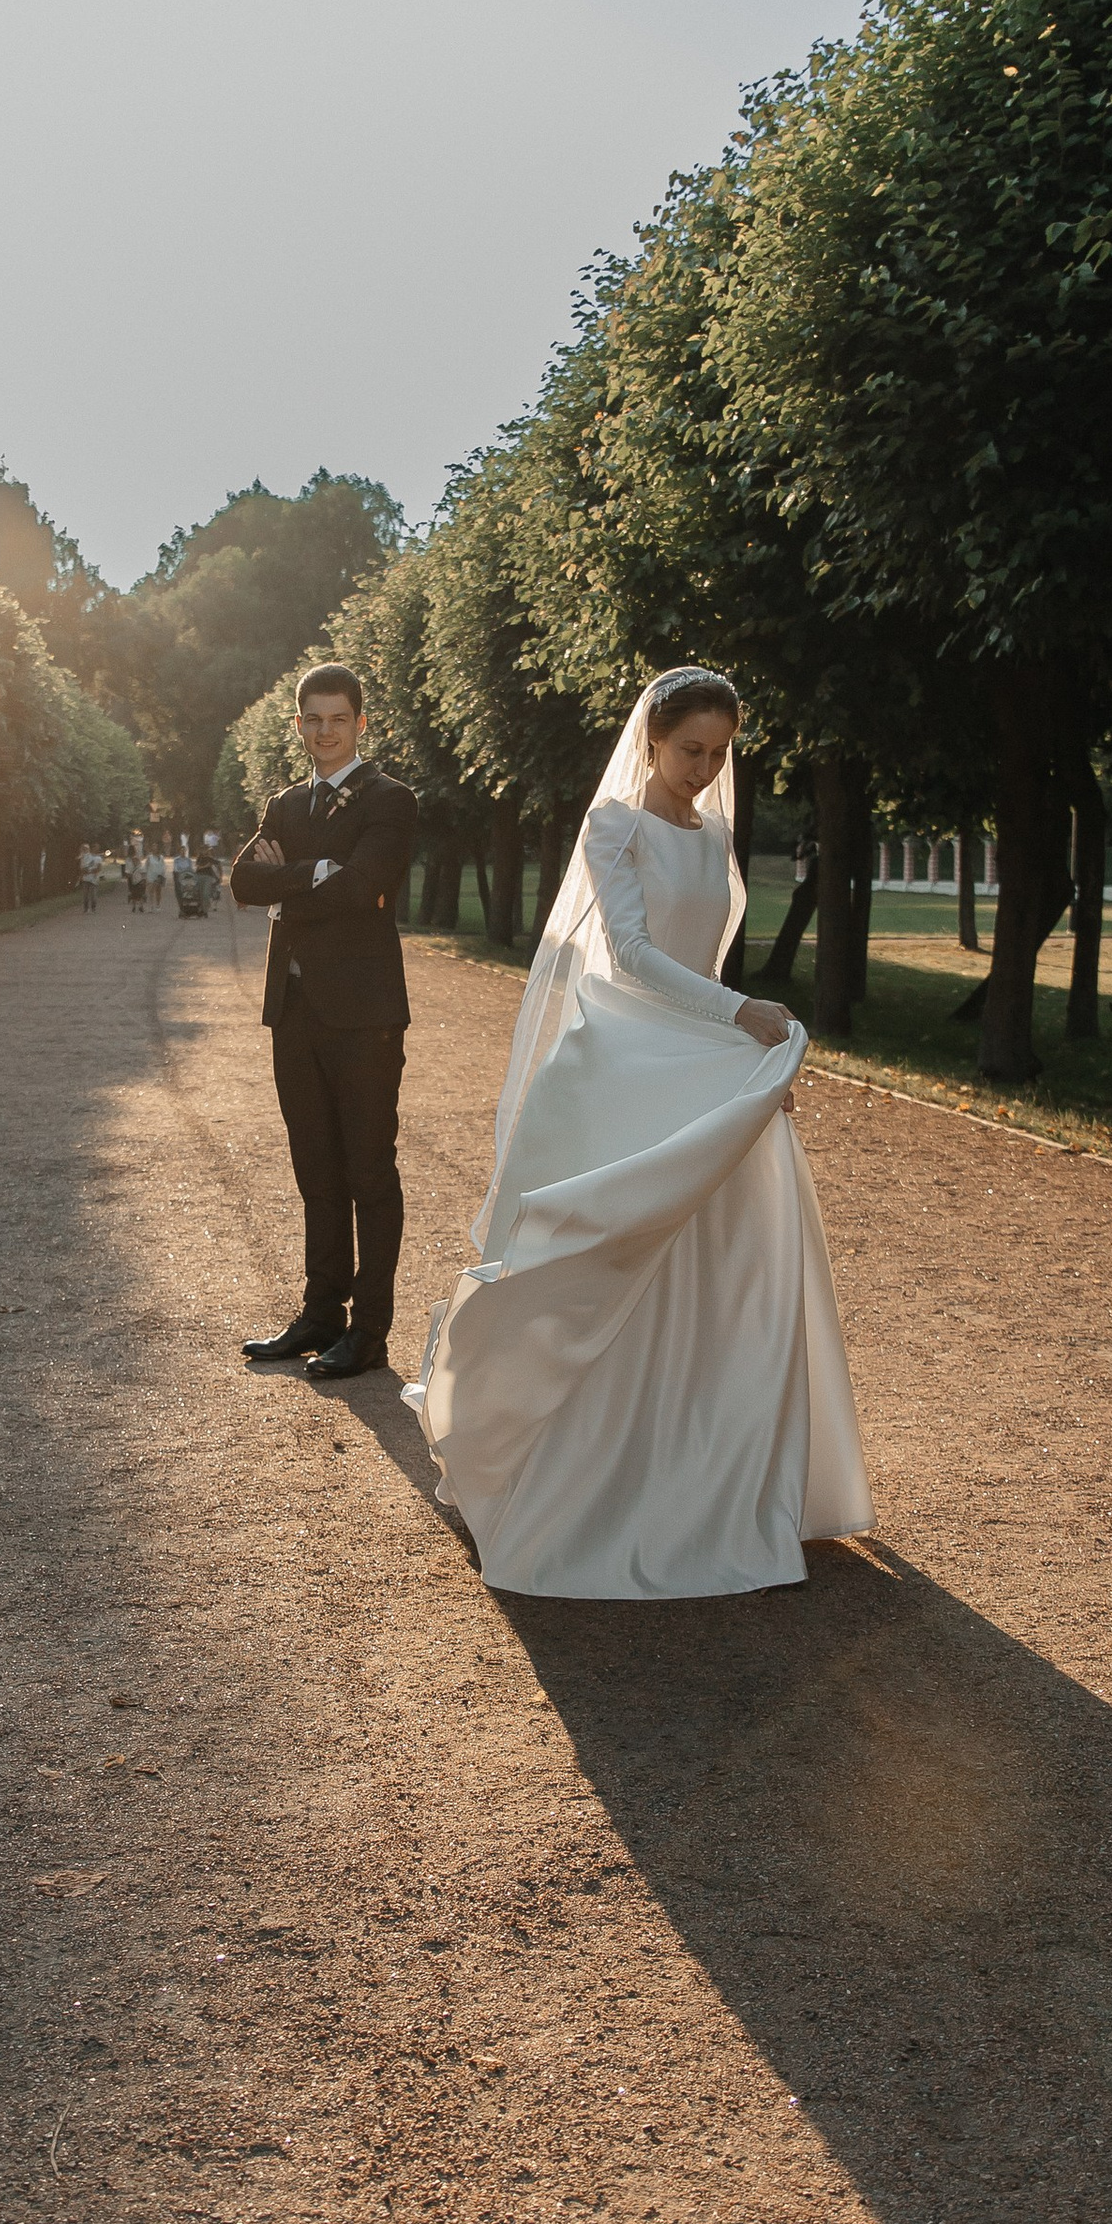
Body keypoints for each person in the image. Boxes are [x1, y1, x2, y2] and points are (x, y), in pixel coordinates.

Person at [405, 666, 870, 1597]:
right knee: (607, 1254)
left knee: (733, 1267)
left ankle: (714, 1471)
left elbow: (703, 949)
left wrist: (743, 1055)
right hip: (624, 1060)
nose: (702, 768)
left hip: (703, 1056)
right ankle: (587, 1470)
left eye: (718, 753)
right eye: (689, 748)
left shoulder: (719, 833)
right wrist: (745, 1016)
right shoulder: (614, 824)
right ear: (652, 739)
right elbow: (633, 954)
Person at [230, 662, 418, 1381]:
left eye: (338, 718)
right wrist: (316, 874)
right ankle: (321, 1314)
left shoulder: (390, 800)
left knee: (369, 1170)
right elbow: (246, 882)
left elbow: (368, 884)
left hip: (364, 1015)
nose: (325, 731)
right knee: (315, 1170)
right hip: (295, 1011)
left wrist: (294, 880)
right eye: (312, 719)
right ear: (299, 724)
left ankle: (369, 1330)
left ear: (360, 722)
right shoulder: (284, 803)